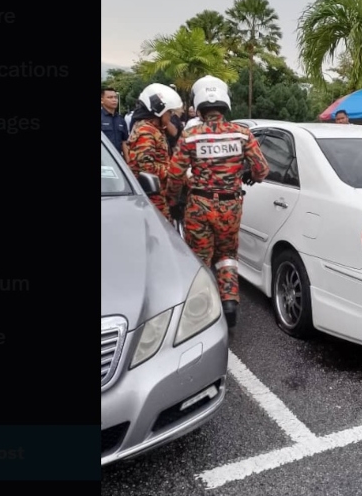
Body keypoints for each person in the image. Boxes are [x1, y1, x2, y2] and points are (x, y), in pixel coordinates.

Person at [165, 76, 270, 329]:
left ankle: (199, 312)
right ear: (226, 103)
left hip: (198, 206)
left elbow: (175, 174)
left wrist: (172, 202)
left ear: (199, 105)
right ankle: (230, 303)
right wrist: (248, 175)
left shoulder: (190, 136)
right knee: (227, 255)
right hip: (231, 207)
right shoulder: (242, 134)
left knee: (199, 258)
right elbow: (262, 170)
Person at [122, 83, 184, 217]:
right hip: (152, 196)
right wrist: (175, 172)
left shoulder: (154, 129)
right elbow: (146, 168)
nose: (170, 116)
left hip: (158, 191)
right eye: (169, 112)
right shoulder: (146, 131)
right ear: (158, 112)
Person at [101, 87, 128, 153]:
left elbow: (124, 142)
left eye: (115, 97)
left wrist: (128, 161)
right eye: (110, 97)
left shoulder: (121, 120)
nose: (114, 100)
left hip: (117, 159)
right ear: (102, 100)